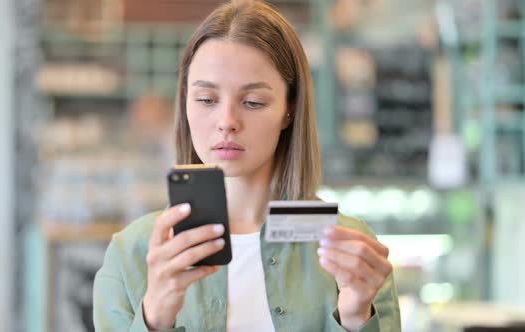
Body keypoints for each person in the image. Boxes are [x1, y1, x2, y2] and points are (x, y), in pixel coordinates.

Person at [93, 1, 401, 331]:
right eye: (206, 100)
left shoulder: (352, 249)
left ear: (289, 109)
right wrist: (154, 315)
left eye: (253, 102)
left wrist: (357, 316)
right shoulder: (131, 255)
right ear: (184, 103)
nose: (227, 121)